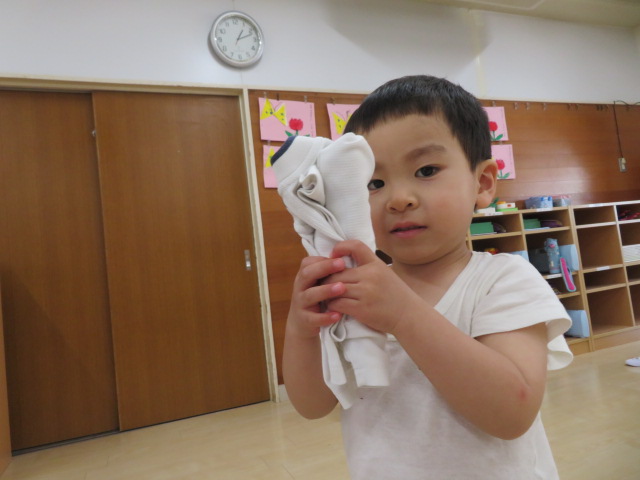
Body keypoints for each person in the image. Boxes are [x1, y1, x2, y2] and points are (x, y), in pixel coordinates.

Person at [282, 75, 573, 479]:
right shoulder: (357, 292)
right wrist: (301, 329)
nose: (399, 199)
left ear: (483, 183)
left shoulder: (504, 280)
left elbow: (513, 413)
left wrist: (403, 315)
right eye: (374, 183)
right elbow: (313, 406)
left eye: (426, 170)